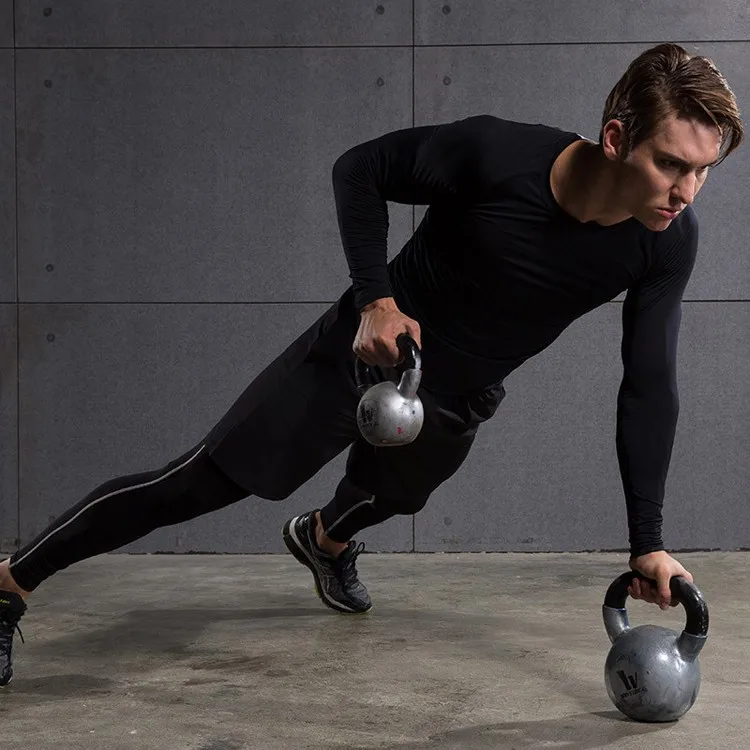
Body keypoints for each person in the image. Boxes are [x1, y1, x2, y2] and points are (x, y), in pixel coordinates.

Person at [0, 42, 743, 686]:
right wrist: (375, 300)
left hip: (456, 396)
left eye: (703, 171)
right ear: (616, 139)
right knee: (196, 484)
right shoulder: (497, 155)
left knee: (395, 496)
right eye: (670, 164)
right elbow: (360, 169)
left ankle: (322, 541)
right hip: (360, 359)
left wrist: (647, 541)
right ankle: (10, 583)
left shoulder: (665, 241)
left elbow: (649, 384)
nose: (686, 192)